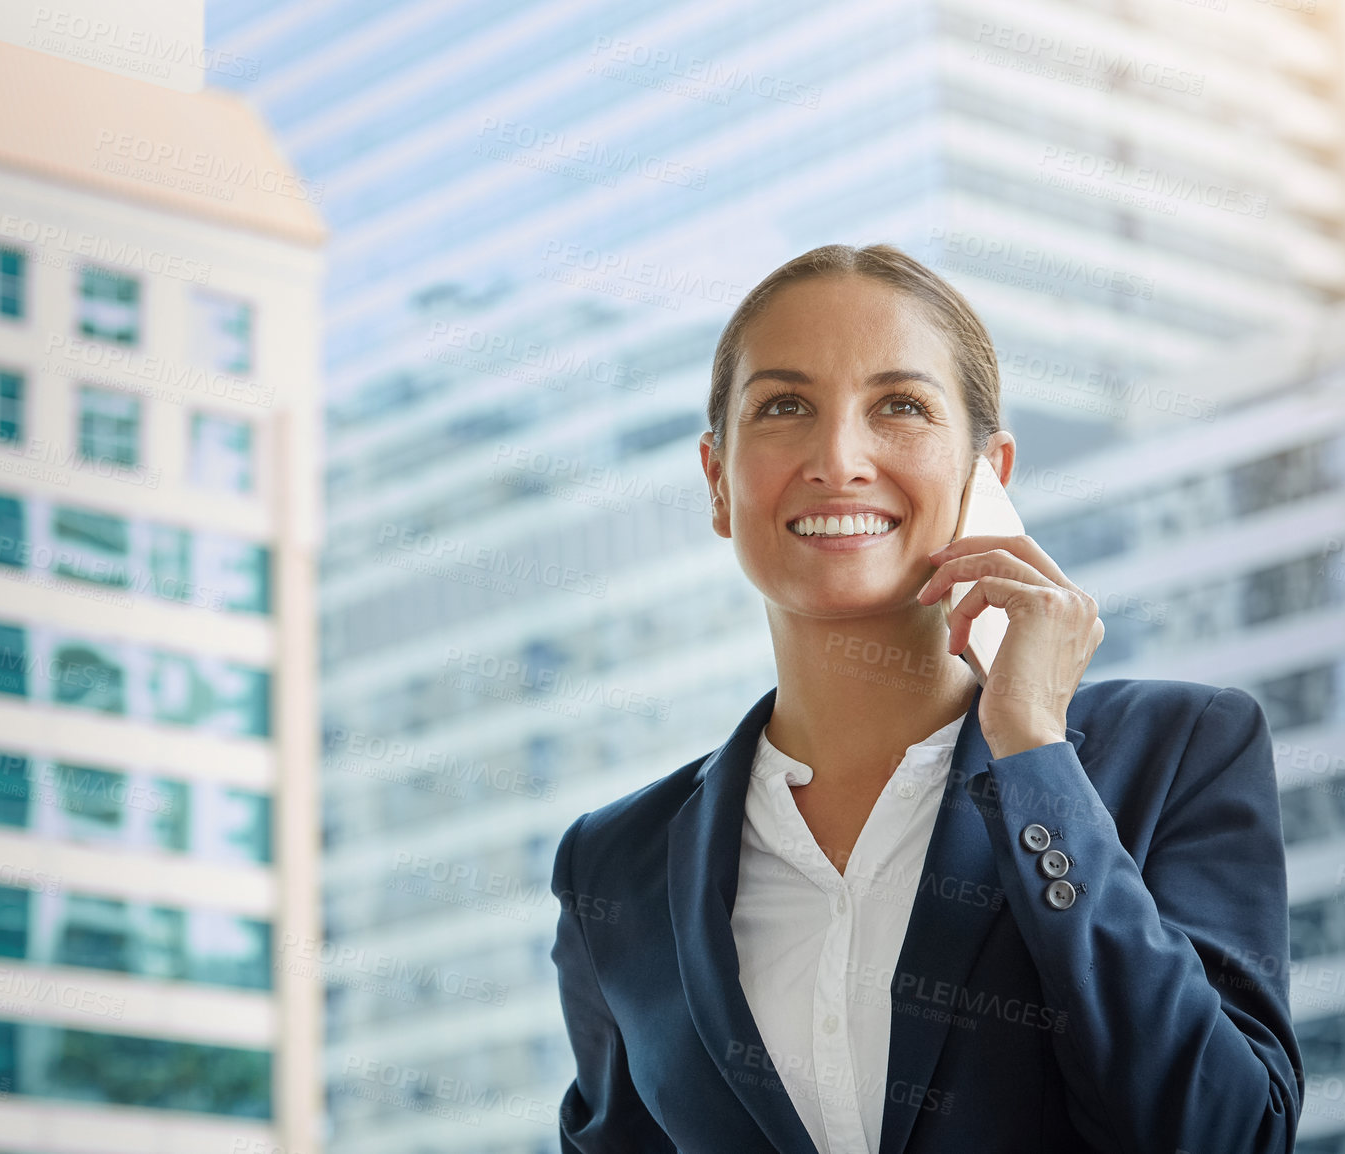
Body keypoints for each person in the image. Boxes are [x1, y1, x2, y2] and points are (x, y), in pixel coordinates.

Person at [549, 243, 1303, 1153]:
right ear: (717, 479)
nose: (839, 458)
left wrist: (1033, 754)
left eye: (899, 406)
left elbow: (1225, 1135)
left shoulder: (1176, 752)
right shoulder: (614, 866)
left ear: (991, 474)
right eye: (785, 406)